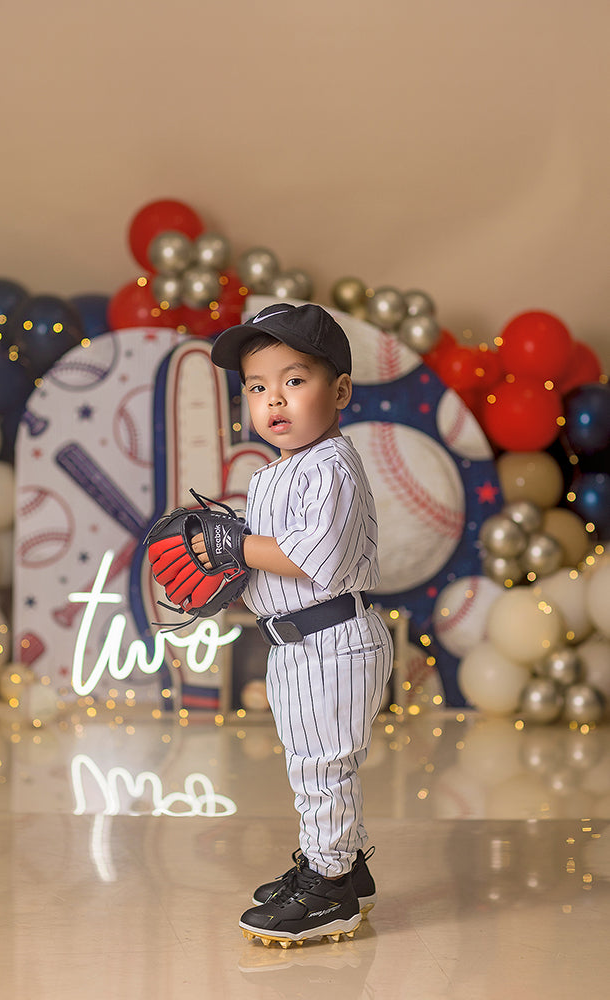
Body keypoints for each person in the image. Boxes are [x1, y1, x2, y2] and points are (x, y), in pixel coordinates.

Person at [201, 302, 393, 946]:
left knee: (322, 768)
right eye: (257, 387)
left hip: (332, 639)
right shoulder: (274, 474)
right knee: (313, 764)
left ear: (338, 390)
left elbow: (317, 559)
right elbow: (267, 570)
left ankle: (331, 887)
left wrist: (235, 546)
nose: (273, 399)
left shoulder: (332, 465)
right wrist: (226, 574)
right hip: (297, 644)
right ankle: (340, 866)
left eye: (293, 380)